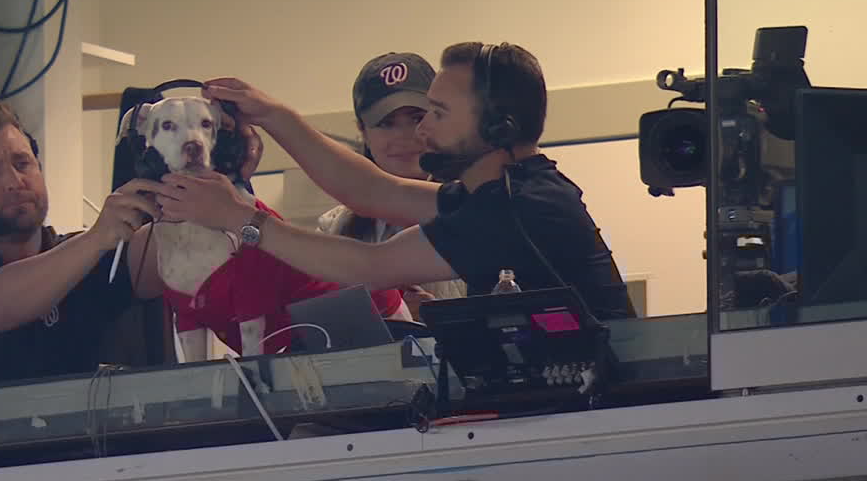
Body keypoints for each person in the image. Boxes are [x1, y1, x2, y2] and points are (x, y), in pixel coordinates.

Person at [152, 42, 636, 322]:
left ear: (497, 128)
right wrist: (274, 115)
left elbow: (373, 266)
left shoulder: (518, 207)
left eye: (437, 115)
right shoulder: (506, 190)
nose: (422, 132)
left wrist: (240, 218)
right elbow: (376, 192)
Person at [0, 100, 263, 390]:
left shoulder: (89, 256)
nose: (14, 181)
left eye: (23, 163)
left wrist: (226, 176)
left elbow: (186, 250)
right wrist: (97, 238)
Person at [316, 52, 467, 318]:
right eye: (386, 123)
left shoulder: (478, 209)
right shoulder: (333, 228)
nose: (404, 136)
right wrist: (388, 315)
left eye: (417, 117)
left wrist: (443, 318)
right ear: (362, 131)